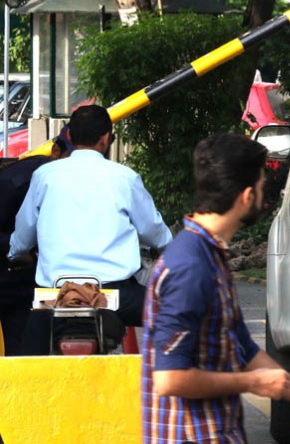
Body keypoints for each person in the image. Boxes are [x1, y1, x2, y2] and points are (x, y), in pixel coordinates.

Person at [142, 133, 290, 442]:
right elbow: (170, 378)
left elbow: (245, 349)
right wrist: (250, 382)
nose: (263, 197)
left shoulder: (212, 255)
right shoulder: (189, 267)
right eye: (262, 186)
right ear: (246, 196)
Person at [7, 105, 172, 354]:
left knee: (28, 358)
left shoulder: (44, 176)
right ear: (105, 138)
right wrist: (172, 248)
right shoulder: (124, 177)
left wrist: (16, 253)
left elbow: (23, 233)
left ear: (69, 136)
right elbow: (152, 229)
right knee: (175, 315)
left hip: (54, 295)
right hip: (115, 295)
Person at [0, 128, 73, 355]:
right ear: (56, 152)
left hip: (32, 278)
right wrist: (24, 252)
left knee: (25, 352)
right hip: (12, 274)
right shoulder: (17, 183)